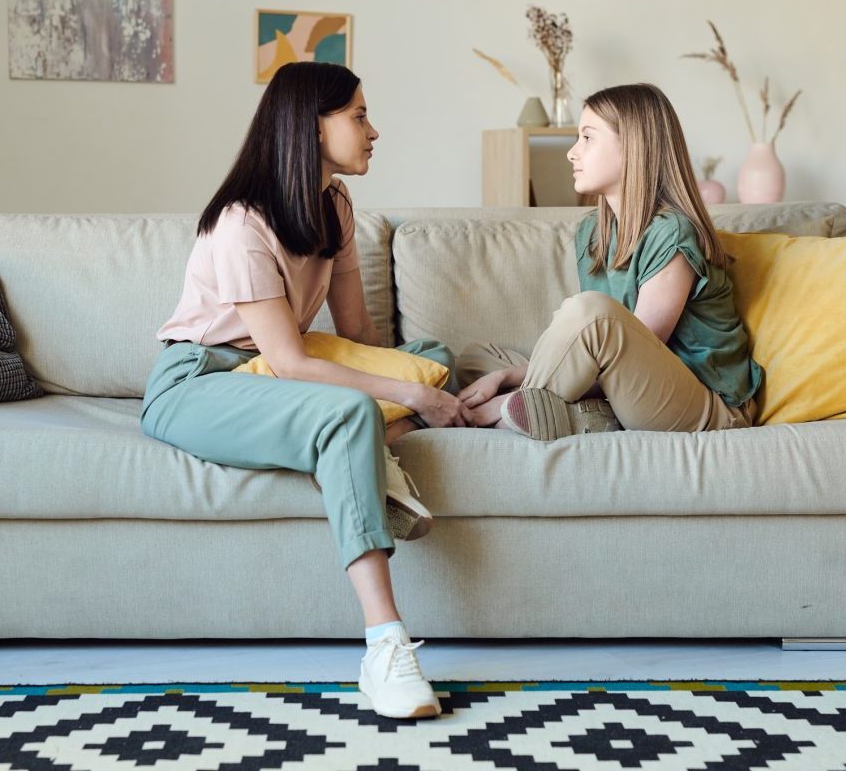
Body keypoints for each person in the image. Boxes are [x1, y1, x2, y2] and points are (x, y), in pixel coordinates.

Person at [141, 62, 472, 719]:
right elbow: (289, 360)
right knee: (353, 411)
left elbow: (357, 334)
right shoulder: (242, 223)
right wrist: (407, 399)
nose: (373, 131)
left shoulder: (335, 204)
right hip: (202, 381)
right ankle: (385, 645)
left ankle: (377, 445)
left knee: (430, 359)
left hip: (277, 370)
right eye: (357, 116)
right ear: (311, 126)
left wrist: (417, 380)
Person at [458, 83, 763, 439]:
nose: (572, 153)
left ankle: (524, 405)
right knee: (475, 360)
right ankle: (578, 415)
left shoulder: (673, 232)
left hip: (708, 405)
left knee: (588, 313)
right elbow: (603, 358)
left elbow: (636, 350)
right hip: (631, 391)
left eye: (588, 138)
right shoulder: (594, 231)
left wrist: (510, 390)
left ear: (634, 147)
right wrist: (504, 374)